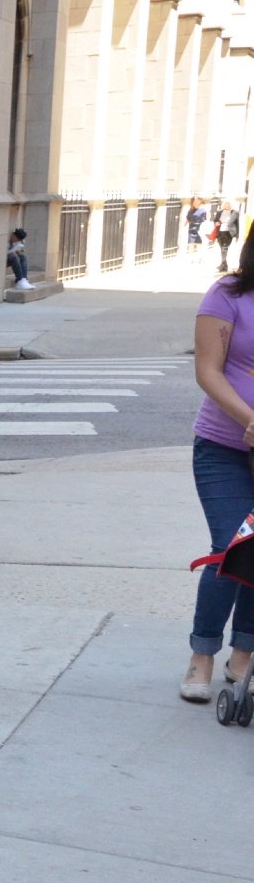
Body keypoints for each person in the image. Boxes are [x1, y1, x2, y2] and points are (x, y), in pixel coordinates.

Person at [183, 229, 254, 701]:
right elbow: (208, 369)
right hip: (224, 447)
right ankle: (202, 655)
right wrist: (250, 419)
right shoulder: (228, 294)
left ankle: (243, 655)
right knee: (233, 544)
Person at [219, 199, 242, 272]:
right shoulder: (220, 212)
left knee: (224, 248)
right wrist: (216, 222)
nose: (227, 205)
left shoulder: (234, 213)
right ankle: (224, 265)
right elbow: (215, 220)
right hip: (220, 232)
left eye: (228, 204)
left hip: (229, 233)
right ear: (224, 205)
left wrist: (237, 234)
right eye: (226, 204)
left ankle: (223, 264)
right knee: (222, 248)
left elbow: (237, 224)